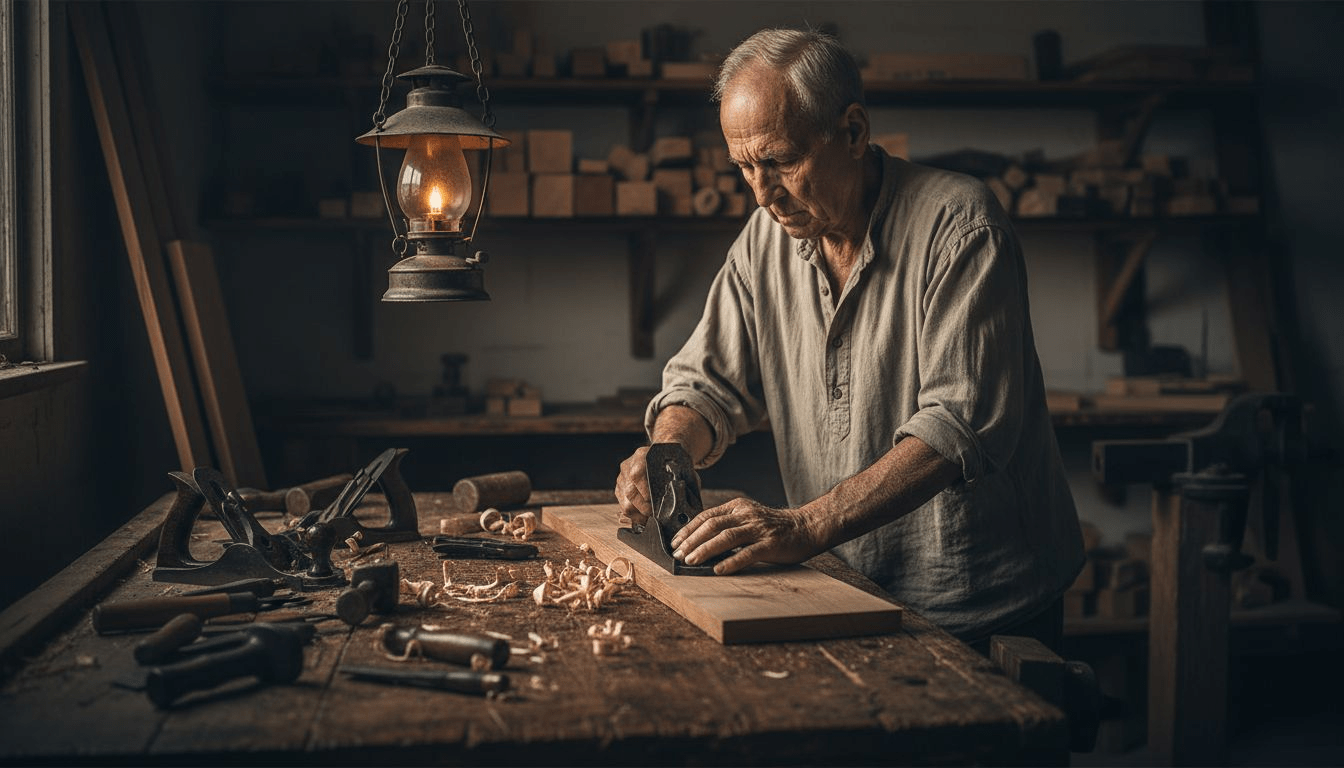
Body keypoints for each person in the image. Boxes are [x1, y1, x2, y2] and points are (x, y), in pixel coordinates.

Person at [613, 27, 1084, 651]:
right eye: (744, 167)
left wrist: (804, 525)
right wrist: (666, 448)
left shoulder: (962, 227)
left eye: (780, 161)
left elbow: (956, 425)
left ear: (854, 133)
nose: (762, 193)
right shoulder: (765, 239)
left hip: (977, 603)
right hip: (842, 586)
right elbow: (706, 384)